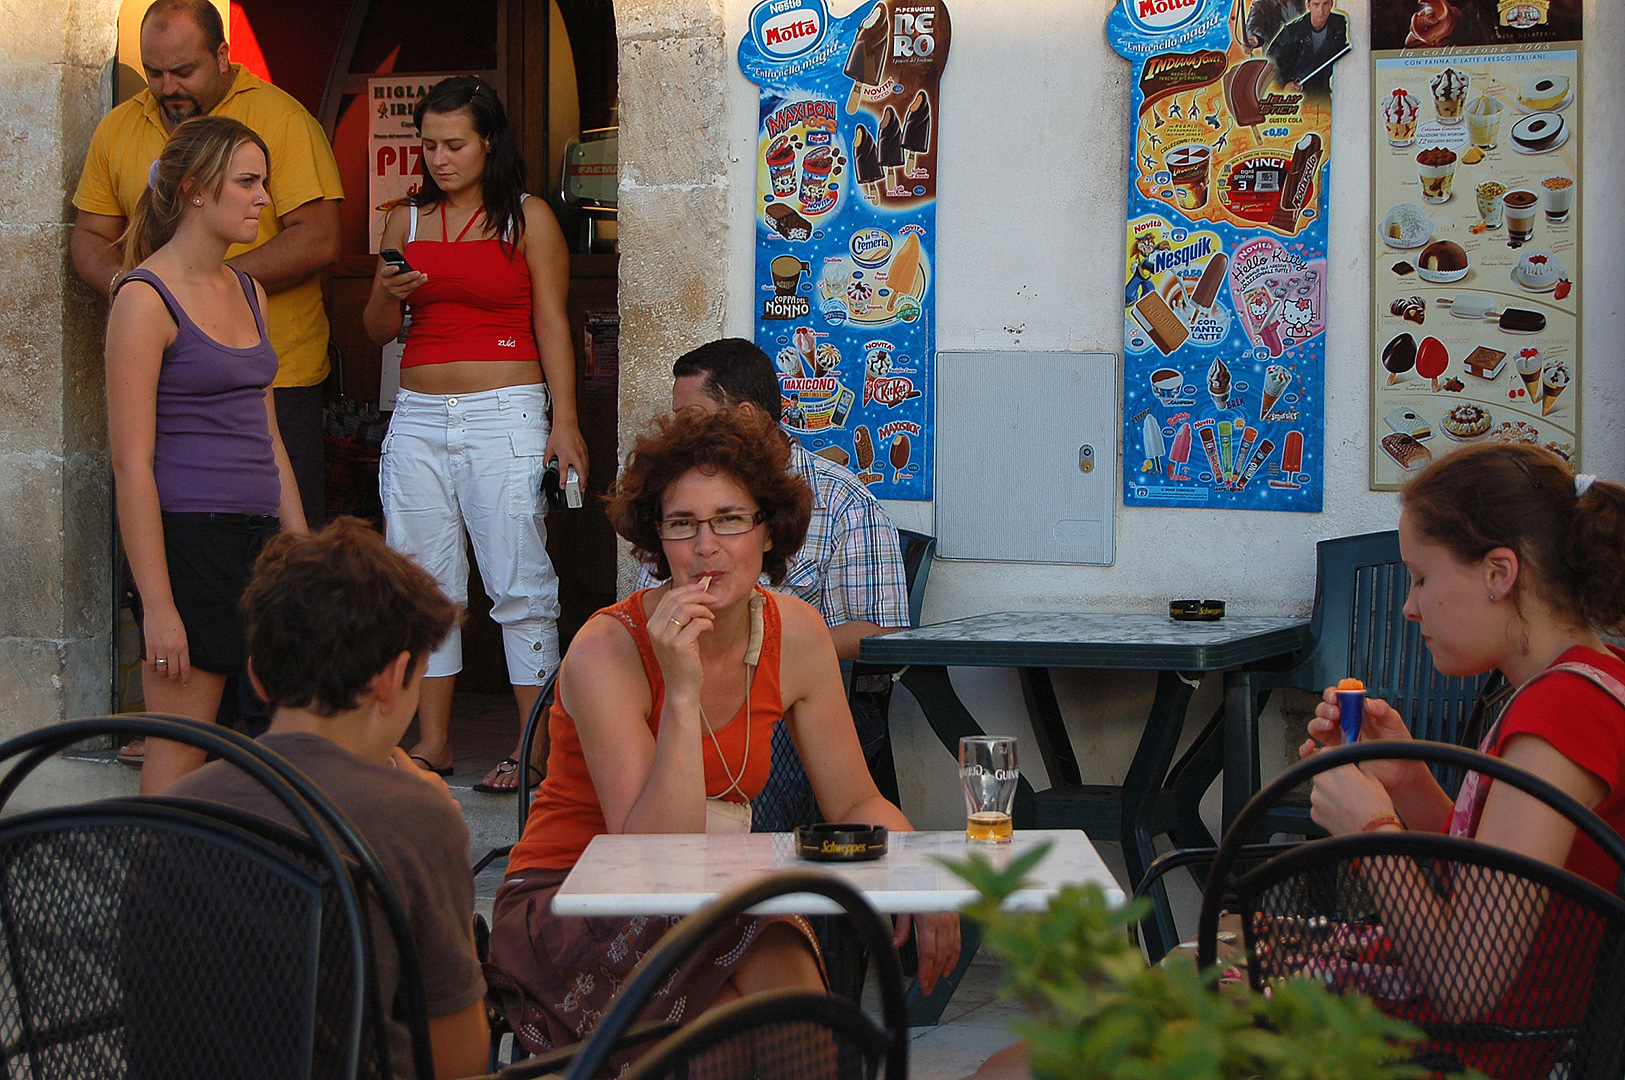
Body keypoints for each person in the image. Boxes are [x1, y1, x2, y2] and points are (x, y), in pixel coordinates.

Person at [485, 407, 958, 1059]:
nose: (706, 546)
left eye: (729, 520)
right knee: (732, 1042)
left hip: (715, 887)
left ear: (768, 531)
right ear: (657, 541)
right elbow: (649, 858)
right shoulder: (607, 650)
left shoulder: (794, 632)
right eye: (683, 525)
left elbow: (852, 802)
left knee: (798, 1020)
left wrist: (922, 874)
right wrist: (678, 693)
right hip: (579, 897)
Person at [1301, 443, 1625, 1076]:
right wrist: (1408, 781)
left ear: (1499, 573)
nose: (1409, 606)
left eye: (1421, 577)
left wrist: (1371, 831)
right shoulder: (1584, 684)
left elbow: (1467, 982)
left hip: (1485, 1057)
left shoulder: (1561, 718)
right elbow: (1499, 883)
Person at [170, 518, 487, 1080]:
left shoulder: (179, 805)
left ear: (258, 679)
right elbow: (459, 1059)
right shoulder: (415, 818)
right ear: (393, 679)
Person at [363, 75, 586, 793]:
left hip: (507, 410)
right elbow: (377, 332)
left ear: (489, 141)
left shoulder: (528, 219)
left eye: (454, 144)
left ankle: (535, 748)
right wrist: (384, 293)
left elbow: (552, 323)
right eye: (427, 144)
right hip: (419, 414)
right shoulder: (407, 220)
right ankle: (433, 742)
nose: (439, 158)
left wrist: (567, 424)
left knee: (519, 583)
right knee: (424, 585)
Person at [73, 0, 341, 527]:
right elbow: (89, 236)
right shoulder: (117, 128)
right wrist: (139, 291)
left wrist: (204, 290)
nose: (168, 86)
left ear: (222, 55)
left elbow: (320, 238)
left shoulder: (281, 118)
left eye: (184, 71)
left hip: (277, 374)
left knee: (285, 550)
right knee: (181, 537)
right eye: (154, 72)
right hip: (166, 383)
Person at [106, 115, 307, 794]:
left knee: (278, 748)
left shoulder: (248, 288)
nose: (263, 198)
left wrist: (299, 548)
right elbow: (131, 464)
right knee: (181, 753)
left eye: (264, 182)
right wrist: (158, 607)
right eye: (247, 182)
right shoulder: (142, 298)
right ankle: (155, 900)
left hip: (260, 545)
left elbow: (269, 435)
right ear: (195, 190)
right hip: (190, 545)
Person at [635, 338, 909, 828]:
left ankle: (771, 892)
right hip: (687, 687)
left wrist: (777, 656)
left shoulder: (843, 499)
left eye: (693, 417)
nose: (705, 543)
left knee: (770, 735)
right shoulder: (678, 511)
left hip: (819, 700)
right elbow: (646, 620)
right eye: (682, 525)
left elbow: (886, 632)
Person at [1266, 0, 1349, 95]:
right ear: (1308, 5)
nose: (1321, 10)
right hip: (1298, 91)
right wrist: (1284, 83)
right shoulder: (1291, 31)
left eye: (1325, 4)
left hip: (1324, 91)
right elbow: (1271, 59)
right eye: (1316, 4)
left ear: (1331, 5)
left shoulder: (1340, 24)